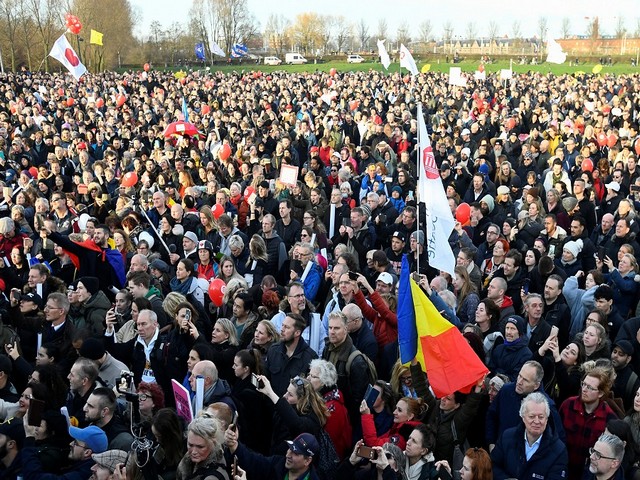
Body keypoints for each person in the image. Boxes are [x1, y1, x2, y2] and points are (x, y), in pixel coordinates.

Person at [491, 392, 568, 480]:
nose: (536, 421)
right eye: (532, 416)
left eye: (541, 417)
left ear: (547, 419)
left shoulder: (559, 450)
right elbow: (493, 466)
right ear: (523, 417)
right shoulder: (506, 438)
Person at [559, 366, 618, 480]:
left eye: (590, 387)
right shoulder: (568, 406)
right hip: (563, 468)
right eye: (583, 384)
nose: (584, 389)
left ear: (600, 393)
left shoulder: (609, 418)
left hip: (588, 474)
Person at [225, 429, 322, 480]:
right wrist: (234, 445)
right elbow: (255, 461)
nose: (288, 455)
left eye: (295, 453)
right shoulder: (278, 463)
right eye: (290, 448)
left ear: (307, 461)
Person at [21, 424, 108, 480]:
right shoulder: (84, 465)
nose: (70, 444)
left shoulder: (83, 475)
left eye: (75, 443)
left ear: (87, 453)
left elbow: (35, 477)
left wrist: (29, 439)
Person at [307, 359, 352, 460]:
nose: (308, 378)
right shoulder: (321, 398)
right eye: (309, 374)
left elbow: (330, 441)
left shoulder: (333, 408)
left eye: (313, 376)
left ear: (324, 381)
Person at [176, 414, 230, 480]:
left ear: (213, 444)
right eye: (190, 445)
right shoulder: (189, 459)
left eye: (200, 447)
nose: (193, 452)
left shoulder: (212, 478)